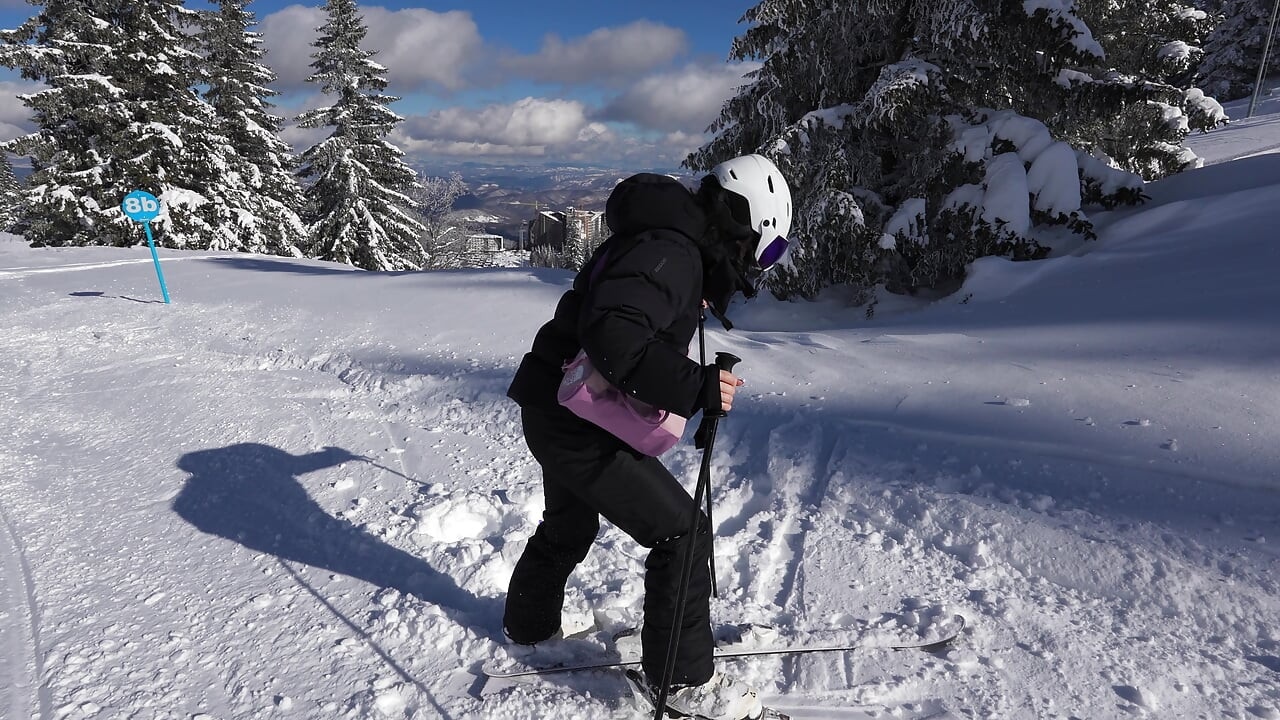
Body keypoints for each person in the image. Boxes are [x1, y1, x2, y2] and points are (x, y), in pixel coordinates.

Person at [503, 154, 792, 720]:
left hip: (553, 405)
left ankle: (530, 629)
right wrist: (697, 386)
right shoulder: (671, 251)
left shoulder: (670, 243)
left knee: (569, 521)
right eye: (770, 250)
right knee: (680, 534)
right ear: (745, 224)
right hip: (572, 419)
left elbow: (625, 324)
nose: (764, 266)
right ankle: (683, 683)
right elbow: (615, 337)